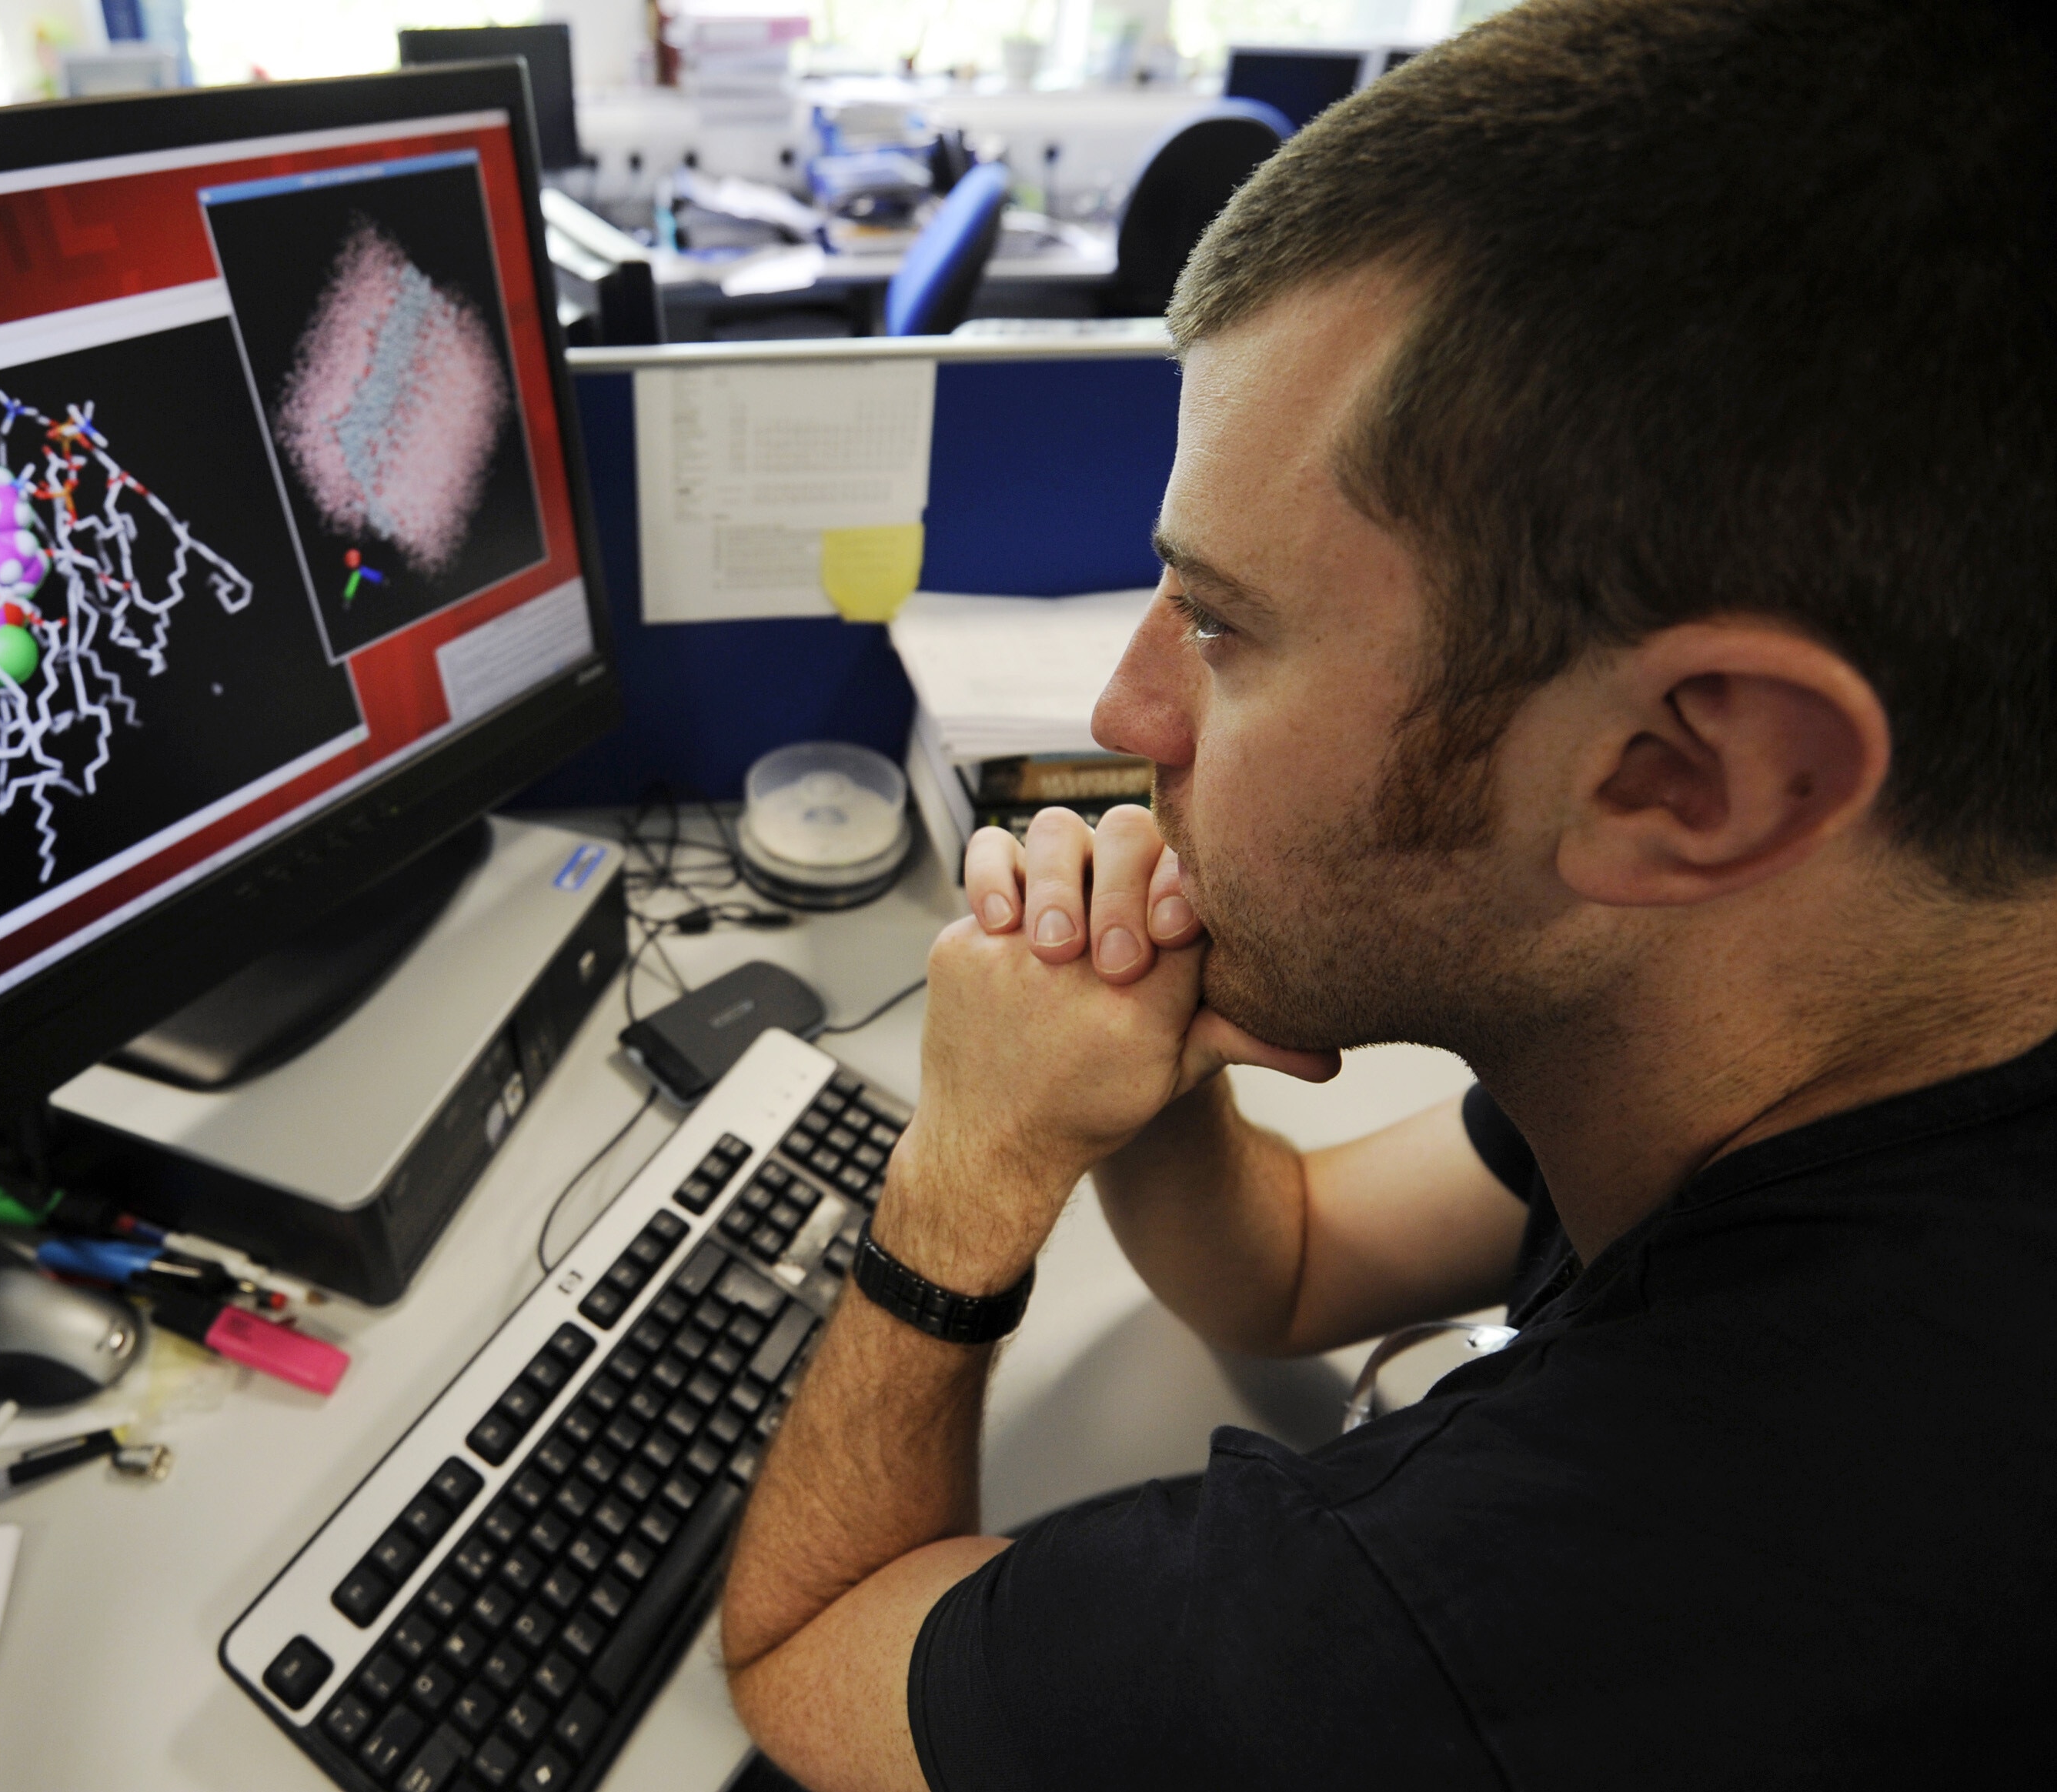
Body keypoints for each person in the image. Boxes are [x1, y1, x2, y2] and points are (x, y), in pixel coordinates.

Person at [720, 0, 2057, 1784]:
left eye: (1220, 623)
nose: (1128, 714)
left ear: (1688, 774)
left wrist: (967, 1176)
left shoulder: (1525, 1609)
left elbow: (809, 1658)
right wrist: (1144, 1056)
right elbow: (1289, 1263)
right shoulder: (1847, 1005)